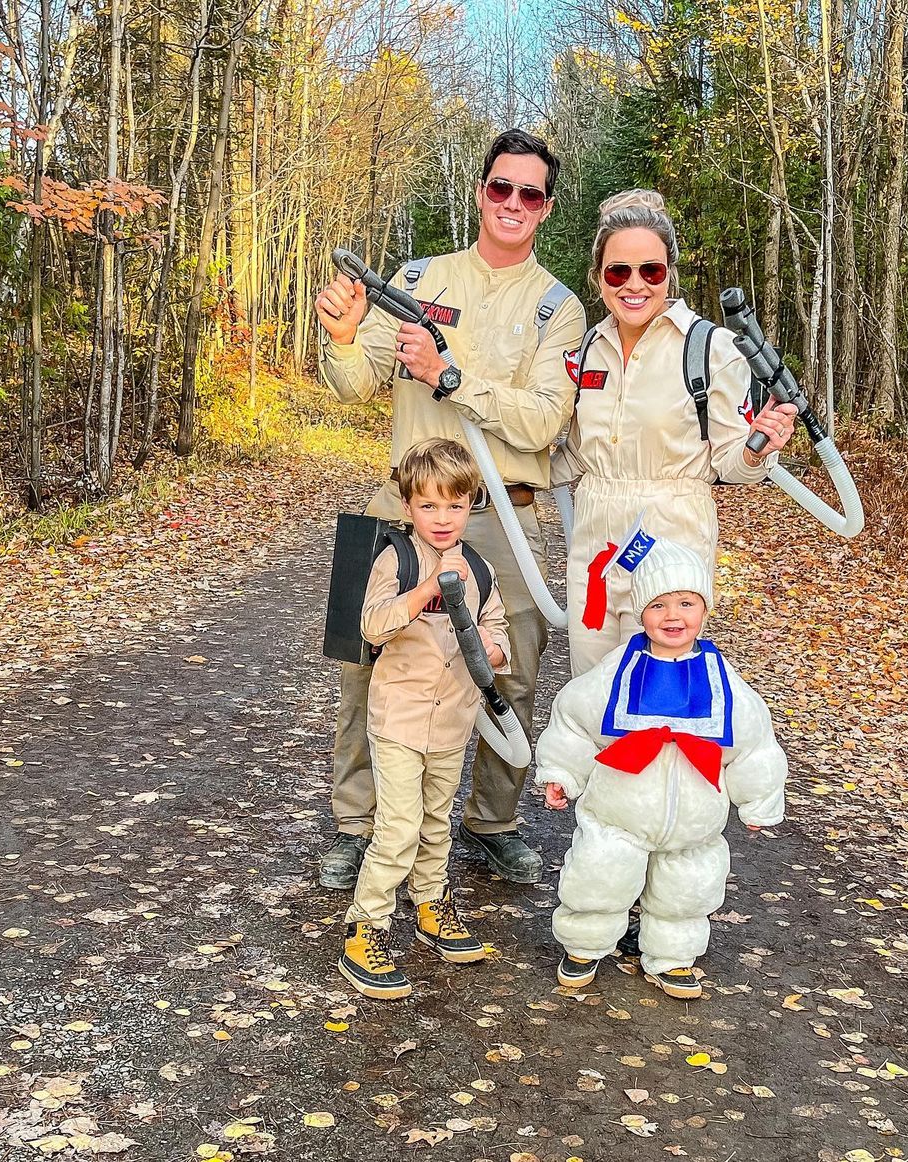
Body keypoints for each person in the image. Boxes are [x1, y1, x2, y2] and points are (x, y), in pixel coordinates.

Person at [315, 129, 586, 887]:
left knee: (509, 669)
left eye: (529, 194)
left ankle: (493, 822)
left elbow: (541, 420)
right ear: (480, 191)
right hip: (399, 503)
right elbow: (352, 381)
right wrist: (341, 337)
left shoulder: (558, 309)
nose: (513, 203)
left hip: (502, 515)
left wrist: (450, 375)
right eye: (501, 187)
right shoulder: (417, 274)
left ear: (546, 208)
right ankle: (356, 824)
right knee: (362, 660)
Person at [552, 190, 797, 679]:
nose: (634, 285)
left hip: (672, 538)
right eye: (618, 271)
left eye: (651, 271)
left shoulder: (709, 348)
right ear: (599, 277)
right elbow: (576, 456)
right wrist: (502, 475)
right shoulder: (587, 349)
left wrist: (759, 450)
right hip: (595, 538)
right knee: (589, 692)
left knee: (652, 699)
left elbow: (731, 463)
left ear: (669, 274)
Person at [534, 537, 787, 997]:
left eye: (687, 603)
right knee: (600, 875)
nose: (673, 616)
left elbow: (754, 739)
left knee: (685, 890)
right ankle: (584, 946)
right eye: (659, 605)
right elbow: (575, 719)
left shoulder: (722, 679)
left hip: (695, 822)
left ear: (705, 609)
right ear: (640, 613)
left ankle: (672, 956)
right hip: (619, 812)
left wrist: (759, 799)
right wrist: (561, 774)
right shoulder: (619, 671)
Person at [339, 439, 510, 1000]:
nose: (442, 518)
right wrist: (427, 590)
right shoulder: (398, 558)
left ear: (471, 505)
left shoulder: (481, 569)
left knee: (437, 819)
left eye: (454, 506)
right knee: (399, 826)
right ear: (409, 505)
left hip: (453, 721)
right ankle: (367, 924)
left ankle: (432, 902)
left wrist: (494, 647)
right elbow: (372, 624)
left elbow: (498, 632)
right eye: (429, 506)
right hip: (399, 718)